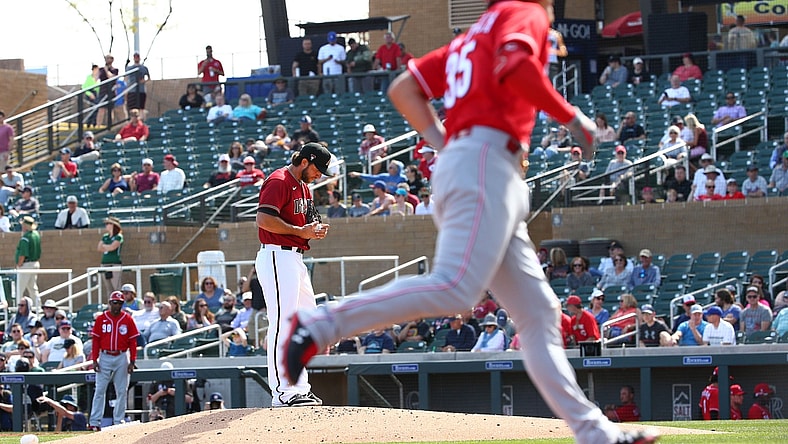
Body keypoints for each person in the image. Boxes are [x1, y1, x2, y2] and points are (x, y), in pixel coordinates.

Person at [281, 3, 655, 442]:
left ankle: (595, 433)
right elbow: (516, 67)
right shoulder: (524, 11)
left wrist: (448, 143)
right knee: (456, 287)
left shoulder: (472, 35)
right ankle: (320, 324)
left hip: (482, 162)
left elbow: (404, 89)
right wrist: (574, 119)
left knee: (538, 313)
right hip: (485, 164)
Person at [255, 142, 331, 407]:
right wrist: (301, 232)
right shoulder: (279, 180)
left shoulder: (303, 187)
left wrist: (313, 229)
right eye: (317, 169)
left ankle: (299, 387)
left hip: (295, 258)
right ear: (305, 161)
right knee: (283, 323)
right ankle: (283, 392)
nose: (319, 174)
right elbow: (264, 220)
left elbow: (303, 221)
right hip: (276, 255)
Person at [88, 291, 139, 431]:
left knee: (122, 390)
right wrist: (94, 359)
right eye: (114, 302)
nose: (117, 305)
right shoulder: (101, 319)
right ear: (110, 303)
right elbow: (96, 341)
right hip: (104, 355)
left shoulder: (127, 319)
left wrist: (132, 361)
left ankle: (118, 421)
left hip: (122, 355)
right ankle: (94, 422)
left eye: (120, 303)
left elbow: (133, 342)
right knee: (99, 390)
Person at [16, 216, 41, 303]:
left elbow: (23, 254)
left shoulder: (25, 238)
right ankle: (37, 306)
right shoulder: (36, 234)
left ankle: (18, 307)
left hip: (26, 264)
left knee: (20, 288)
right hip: (35, 263)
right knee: (32, 287)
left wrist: (19, 264)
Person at [98, 216, 123, 294]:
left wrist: (105, 246)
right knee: (109, 288)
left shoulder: (118, 236)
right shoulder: (105, 236)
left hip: (114, 263)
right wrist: (107, 247)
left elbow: (113, 247)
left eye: (108, 223)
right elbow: (99, 248)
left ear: (113, 225)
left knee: (116, 287)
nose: (106, 225)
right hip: (105, 264)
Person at [96, 54, 118, 127]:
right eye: (107, 58)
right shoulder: (101, 69)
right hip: (103, 92)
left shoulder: (115, 70)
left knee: (110, 110)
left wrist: (106, 70)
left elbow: (110, 77)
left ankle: (110, 125)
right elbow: (96, 78)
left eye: (110, 58)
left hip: (111, 92)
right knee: (101, 109)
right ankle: (98, 125)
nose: (108, 60)